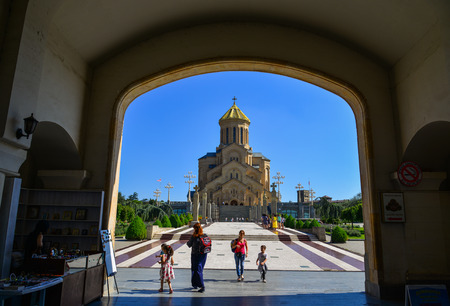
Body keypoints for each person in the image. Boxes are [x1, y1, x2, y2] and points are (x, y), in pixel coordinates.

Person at [187, 223, 207, 292]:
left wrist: (188, 241)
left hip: (195, 255)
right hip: (203, 255)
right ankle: (195, 284)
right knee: (199, 269)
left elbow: (189, 244)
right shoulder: (204, 235)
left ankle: (201, 286)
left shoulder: (194, 236)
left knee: (196, 269)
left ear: (195, 229)